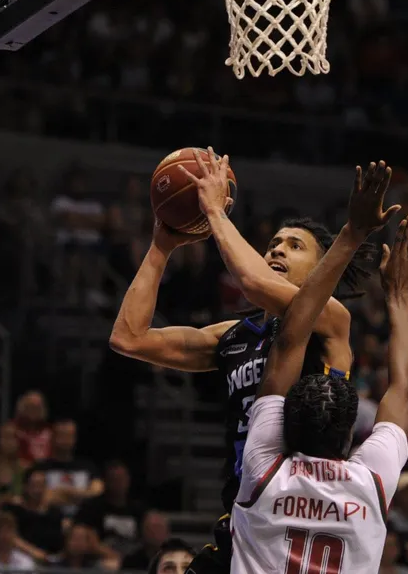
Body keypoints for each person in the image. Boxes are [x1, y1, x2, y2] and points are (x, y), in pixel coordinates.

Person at [110, 151, 379, 548]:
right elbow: (129, 337)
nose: (276, 250)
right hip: (244, 513)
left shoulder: (331, 317)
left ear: (323, 269)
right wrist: (161, 248)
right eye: (273, 243)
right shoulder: (234, 336)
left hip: (302, 510)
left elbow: (251, 284)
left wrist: (215, 212)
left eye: (294, 245)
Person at [230, 164, 408, 574]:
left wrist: (352, 232)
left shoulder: (264, 467)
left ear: (282, 425)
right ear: (352, 433)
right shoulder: (368, 482)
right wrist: (400, 298)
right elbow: (405, 389)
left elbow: (288, 343)